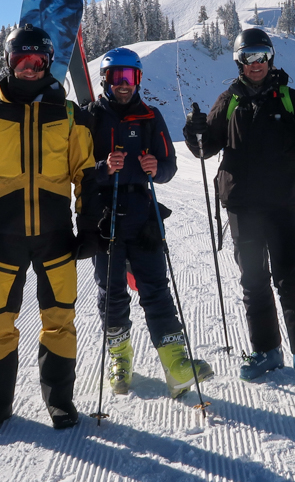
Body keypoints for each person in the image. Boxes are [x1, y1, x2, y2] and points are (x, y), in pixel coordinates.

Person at [0, 24, 103, 436]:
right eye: (20, 59)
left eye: (37, 60)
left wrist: (89, 226)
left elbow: (85, 176)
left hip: (55, 235)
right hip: (4, 237)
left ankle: (59, 400)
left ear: (48, 62)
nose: (29, 68)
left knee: (59, 319)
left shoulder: (69, 114)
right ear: (9, 61)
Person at [182, 27, 295, 389]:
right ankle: (267, 351)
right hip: (241, 206)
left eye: (262, 56)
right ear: (238, 60)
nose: (257, 64)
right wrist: (197, 134)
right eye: (249, 57)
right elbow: (207, 149)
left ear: (271, 59)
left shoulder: (288, 98)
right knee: (253, 280)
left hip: (282, 205)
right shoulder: (229, 100)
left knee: (291, 279)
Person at [85, 47, 213, 398]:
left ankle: (176, 366)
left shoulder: (150, 116)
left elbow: (169, 166)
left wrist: (158, 169)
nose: (124, 85)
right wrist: (102, 168)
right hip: (105, 217)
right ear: (106, 80)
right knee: (111, 293)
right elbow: (75, 170)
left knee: (156, 288)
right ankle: (120, 360)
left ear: (138, 79)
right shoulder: (91, 116)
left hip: (142, 213)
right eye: (117, 78)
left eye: (131, 78)